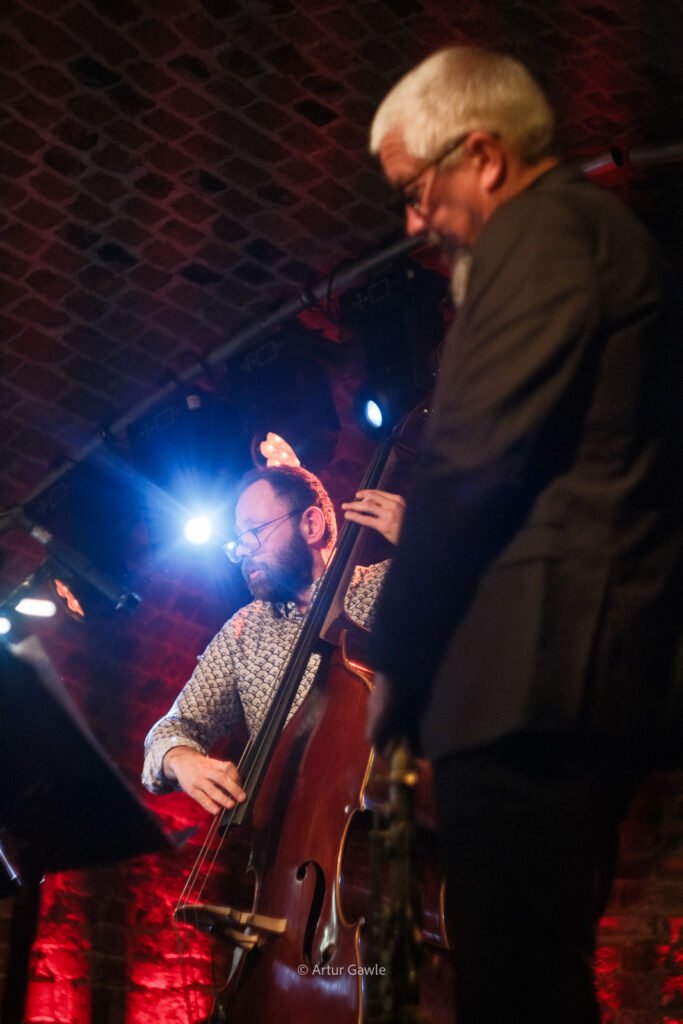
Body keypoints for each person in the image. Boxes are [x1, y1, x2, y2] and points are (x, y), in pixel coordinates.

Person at [366, 46, 683, 1024]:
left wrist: (396, 661)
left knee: (515, 986)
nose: (412, 223)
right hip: (565, 678)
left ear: (484, 156)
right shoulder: (596, 237)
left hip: (532, 683)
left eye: (415, 191)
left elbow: (468, 460)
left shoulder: (541, 230)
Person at [142, 464, 405, 815]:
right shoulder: (244, 632)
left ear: (311, 525)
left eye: (254, 531)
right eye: (238, 539)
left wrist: (425, 547)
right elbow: (172, 728)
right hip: (291, 836)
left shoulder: (389, 584)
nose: (242, 551)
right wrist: (180, 758)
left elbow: (477, 617)